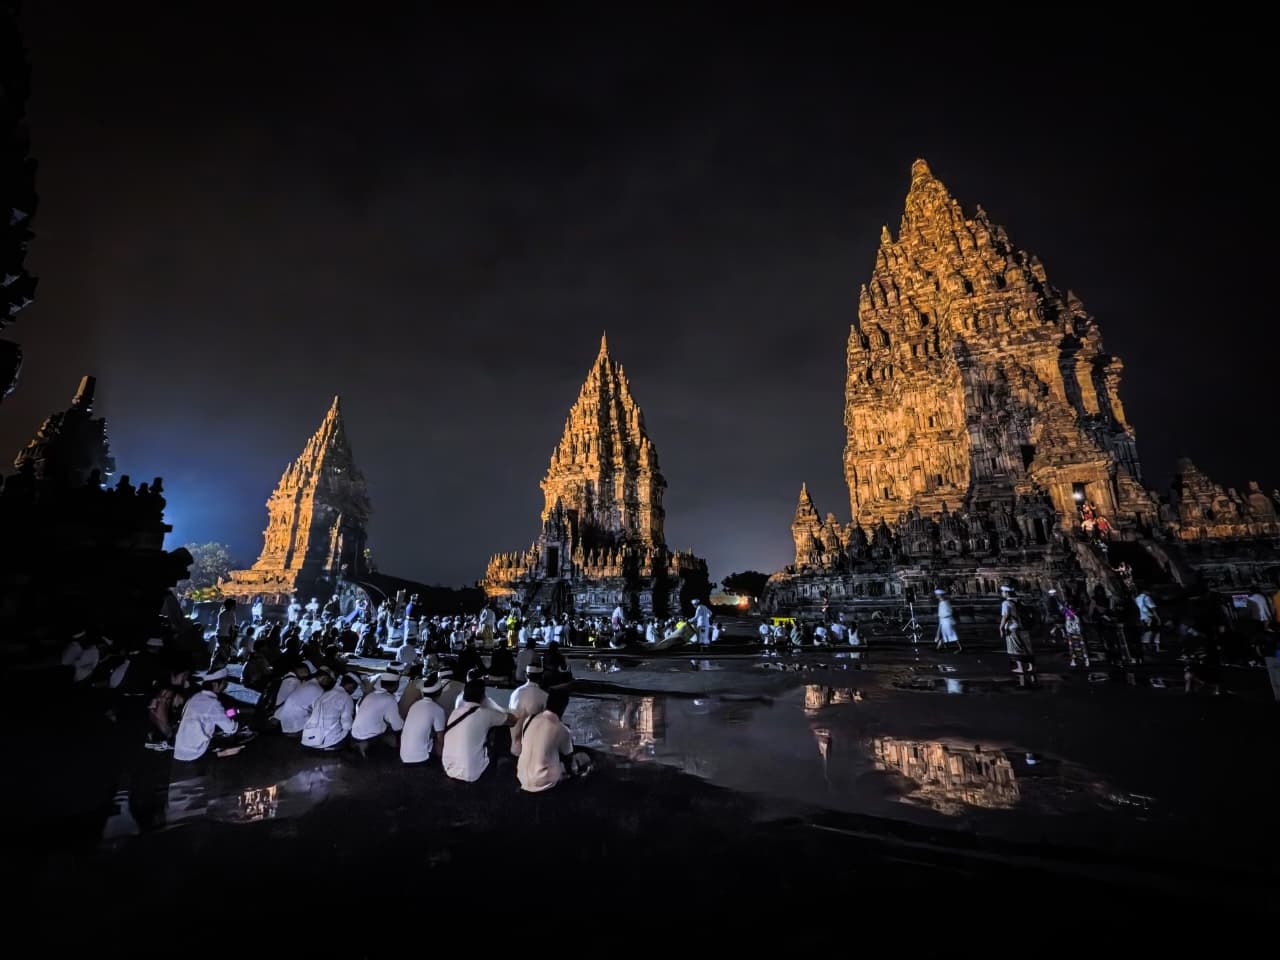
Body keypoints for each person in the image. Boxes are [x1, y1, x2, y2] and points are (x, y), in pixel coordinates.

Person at [441, 679, 514, 782]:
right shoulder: (485, 713)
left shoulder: (455, 713)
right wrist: (493, 706)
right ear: (483, 696)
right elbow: (512, 721)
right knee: (500, 729)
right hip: (471, 773)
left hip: (449, 768)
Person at [173, 668, 240, 761]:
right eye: (224, 683)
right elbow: (230, 728)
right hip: (195, 755)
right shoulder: (212, 703)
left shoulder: (195, 697)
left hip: (179, 752)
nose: (226, 685)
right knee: (233, 744)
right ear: (215, 684)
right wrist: (234, 713)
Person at [517, 690, 577, 793]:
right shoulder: (561, 729)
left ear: (546, 703)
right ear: (563, 708)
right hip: (543, 781)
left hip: (522, 776)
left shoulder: (529, 719)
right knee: (581, 759)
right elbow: (569, 760)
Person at [351, 672, 405, 755]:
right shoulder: (389, 699)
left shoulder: (371, 695)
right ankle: (368, 748)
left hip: (354, 735)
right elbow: (397, 726)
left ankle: (362, 745)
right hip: (370, 737)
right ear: (396, 685)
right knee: (396, 741)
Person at [400, 671, 448, 764]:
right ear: (439, 692)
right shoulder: (437, 709)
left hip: (403, 755)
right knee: (441, 737)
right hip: (421, 758)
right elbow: (440, 737)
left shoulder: (414, 704)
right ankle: (443, 762)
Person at [302, 672, 357, 750]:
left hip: (309, 739)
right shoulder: (347, 697)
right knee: (353, 731)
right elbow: (347, 724)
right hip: (328, 741)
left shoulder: (324, 694)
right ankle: (331, 747)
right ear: (351, 686)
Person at [508, 664, 549, 756]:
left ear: (526, 676)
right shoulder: (544, 696)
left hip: (514, 749)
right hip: (532, 752)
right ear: (541, 677)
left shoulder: (515, 694)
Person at [1000, 585, 1035, 685]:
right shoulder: (1019, 601)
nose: (1002, 594)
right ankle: (1031, 667)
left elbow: (1006, 615)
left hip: (1013, 627)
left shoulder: (1006, 603)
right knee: (1027, 647)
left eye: (1002, 592)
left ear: (1006, 593)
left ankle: (1020, 668)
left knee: (1016, 647)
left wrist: (1001, 627)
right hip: (1023, 627)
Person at [276, 664, 325, 735]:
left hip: (284, 718)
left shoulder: (290, 678)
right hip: (284, 719)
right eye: (308, 673)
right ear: (303, 670)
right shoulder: (293, 682)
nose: (307, 676)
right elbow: (290, 702)